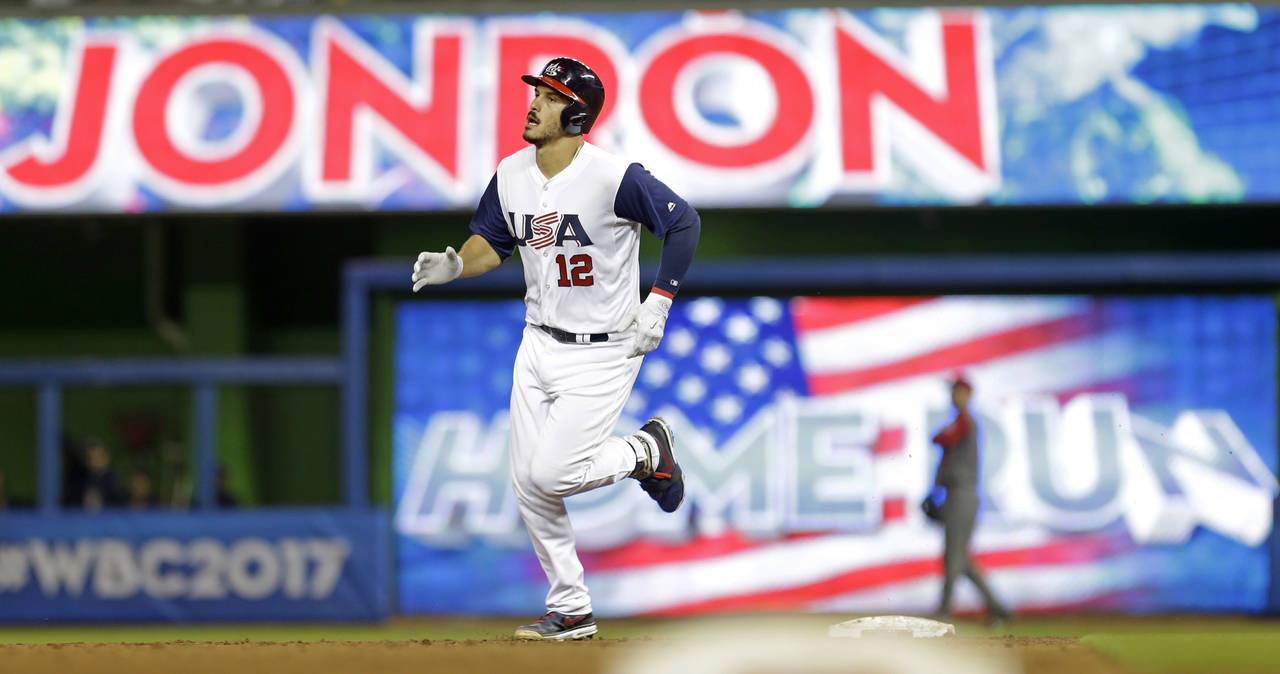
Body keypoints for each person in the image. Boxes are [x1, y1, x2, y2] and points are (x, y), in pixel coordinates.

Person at [410, 57, 700, 641]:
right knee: (527, 481)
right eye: (537, 92)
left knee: (554, 473)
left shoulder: (614, 177)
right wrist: (456, 265)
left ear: (577, 115)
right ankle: (571, 608)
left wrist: (661, 299)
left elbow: (684, 223)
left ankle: (645, 452)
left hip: (604, 348)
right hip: (538, 340)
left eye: (550, 95)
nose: (535, 103)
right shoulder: (512, 173)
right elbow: (492, 244)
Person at [925, 373, 1010, 625]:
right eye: (952, 391)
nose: (953, 396)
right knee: (959, 558)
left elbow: (941, 438)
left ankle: (944, 611)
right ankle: (997, 608)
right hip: (955, 495)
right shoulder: (960, 421)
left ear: (968, 394)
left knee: (954, 557)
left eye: (957, 391)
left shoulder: (965, 421)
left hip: (962, 494)